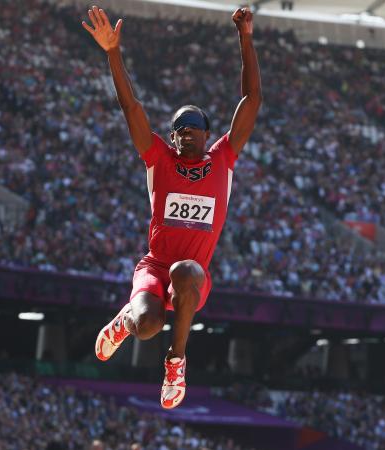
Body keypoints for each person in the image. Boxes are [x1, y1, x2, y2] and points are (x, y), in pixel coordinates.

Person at [81, 5, 261, 409]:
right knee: (147, 325)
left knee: (187, 270)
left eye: (193, 128)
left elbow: (252, 99)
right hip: (153, 267)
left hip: (193, 278)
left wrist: (245, 39)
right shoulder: (159, 158)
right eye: (179, 128)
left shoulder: (223, 159)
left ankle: (176, 362)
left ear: (207, 134)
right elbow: (132, 108)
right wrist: (113, 52)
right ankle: (123, 323)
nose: (184, 134)